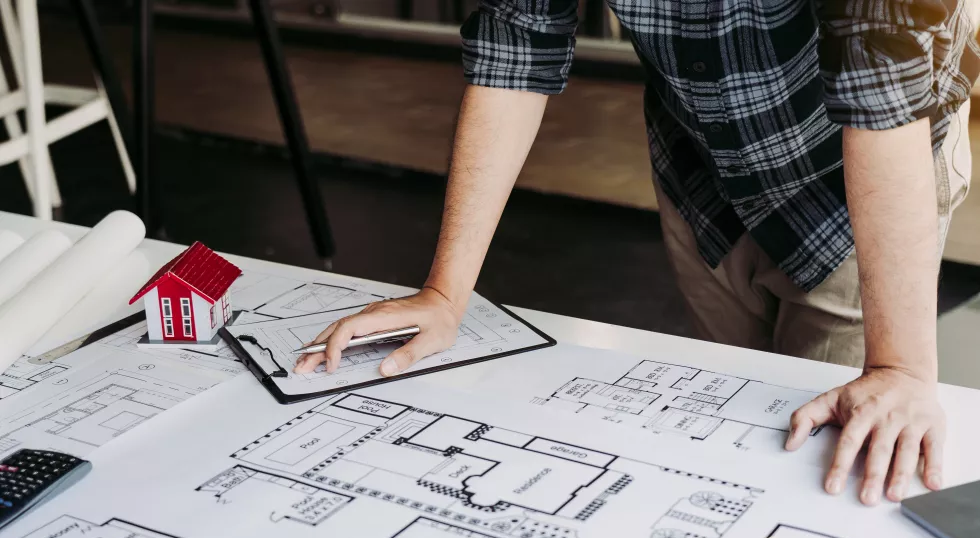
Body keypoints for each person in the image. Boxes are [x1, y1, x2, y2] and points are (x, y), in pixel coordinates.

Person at [295, 0, 979, 506]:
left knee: (826, 472)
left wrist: (901, 367)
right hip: (703, 173)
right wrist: (445, 294)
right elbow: (515, 44)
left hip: (864, 189)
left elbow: (882, 93)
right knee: (741, 434)